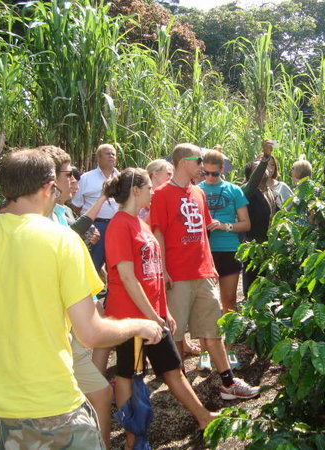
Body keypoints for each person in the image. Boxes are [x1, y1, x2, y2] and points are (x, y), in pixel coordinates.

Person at [0, 149, 163, 449]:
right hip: (51, 408)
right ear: (49, 188)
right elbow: (91, 332)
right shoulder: (62, 241)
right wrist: (138, 325)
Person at [103, 168, 218, 448]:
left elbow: (153, 274)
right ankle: (133, 438)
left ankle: (203, 417)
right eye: (149, 188)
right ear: (136, 190)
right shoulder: (119, 225)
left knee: (172, 368)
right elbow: (127, 277)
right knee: (131, 373)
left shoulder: (140, 224)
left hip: (153, 316)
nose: (154, 192)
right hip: (132, 319)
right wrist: (153, 316)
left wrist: (163, 311)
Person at [151, 143, 260, 400]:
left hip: (203, 272)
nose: (202, 166)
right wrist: (163, 270)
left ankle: (228, 383)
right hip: (177, 274)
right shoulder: (161, 194)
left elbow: (202, 233)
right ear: (182, 163)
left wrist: (210, 267)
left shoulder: (198, 194)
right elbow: (158, 233)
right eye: (198, 161)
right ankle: (181, 387)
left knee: (214, 330)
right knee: (176, 333)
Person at [38, 145, 113, 448]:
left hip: (71, 321)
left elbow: (72, 236)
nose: (75, 182)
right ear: (50, 182)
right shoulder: (35, 221)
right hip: (52, 329)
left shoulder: (62, 212)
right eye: (69, 175)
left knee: (97, 391)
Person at [199, 149, 251, 367]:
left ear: (222, 170)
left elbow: (246, 223)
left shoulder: (234, 190)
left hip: (229, 249)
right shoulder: (196, 190)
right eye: (206, 173)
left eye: (214, 174)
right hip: (204, 252)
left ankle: (228, 348)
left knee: (228, 301)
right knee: (205, 305)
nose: (210, 178)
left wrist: (224, 226)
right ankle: (205, 352)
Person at [145, 159, 200, 358]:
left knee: (175, 309)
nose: (171, 176)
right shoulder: (150, 199)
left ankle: (181, 344)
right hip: (151, 261)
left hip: (172, 260)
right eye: (167, 173)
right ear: (153, 175)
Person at [71, 143, 119, 272]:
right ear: (98, 157)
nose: (111, 156)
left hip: (116, 226)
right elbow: (76, 205)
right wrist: (90, 222)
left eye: (113, 154)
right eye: (107, 154)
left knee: (116, 264)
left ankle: (109, 291)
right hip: (96, 227)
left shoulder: (121, 177)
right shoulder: (86, 178)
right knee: (93, 264)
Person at [241, 140, 276, 295]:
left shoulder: (269, 191)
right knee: (253, 286)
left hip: (269, 245)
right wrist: (265, 157)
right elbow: (253, 182)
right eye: (258, 168)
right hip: (253, 246)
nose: (264, 169)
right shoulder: (247, 191)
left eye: (266, 166)